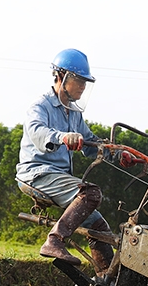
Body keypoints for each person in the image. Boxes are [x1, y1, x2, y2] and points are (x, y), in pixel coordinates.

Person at [15, 48, 114, 274]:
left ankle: (107, 281)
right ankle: (55, 241)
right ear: (62, 77)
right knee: (90, 193)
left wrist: (115, 153)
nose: (82, 86)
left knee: (99, 228)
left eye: (85, 82)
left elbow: (89, 144)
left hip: (58, 178)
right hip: (36, 173)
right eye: (78, 80)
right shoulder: (40, 106)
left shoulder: (74, 113)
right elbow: (37, 131)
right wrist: (61, 136)